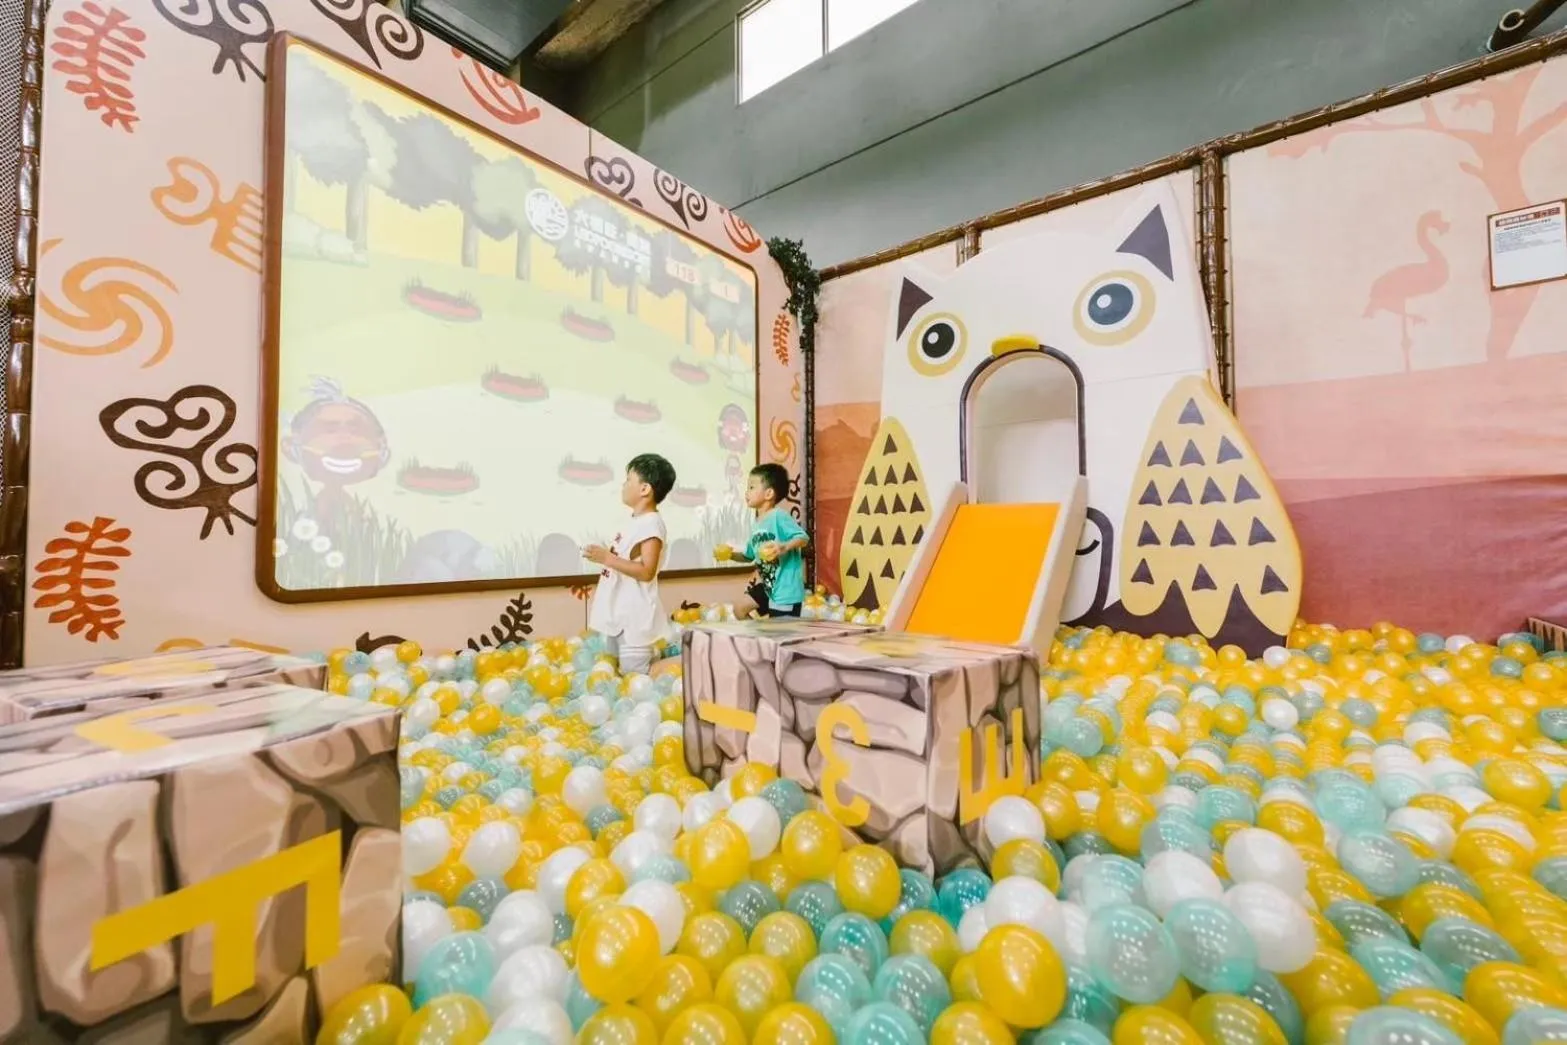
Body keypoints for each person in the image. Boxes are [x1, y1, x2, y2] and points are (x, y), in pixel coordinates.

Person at [585, 453, 675, 674]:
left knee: (637, 674)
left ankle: (695, 662)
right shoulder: (635, 522)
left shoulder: (652, 524)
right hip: (620, 611)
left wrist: (607, 558)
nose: (623, 485)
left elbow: (646, 571)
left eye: (628, 480)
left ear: (644, 489)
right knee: (618, 669)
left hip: (635, 614)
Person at [725, 463, 809, 618]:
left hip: (785, 591)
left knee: (779, 635)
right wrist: (730, 555)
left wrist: (783, 547)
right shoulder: (757, 524)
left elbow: (803, 538)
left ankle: (765, 637)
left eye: (752, 487)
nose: (746, 492)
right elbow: (748, 556)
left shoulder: (778, 516)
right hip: (768, 587)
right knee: (739, 609)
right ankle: (758, 638)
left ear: (769, 493)